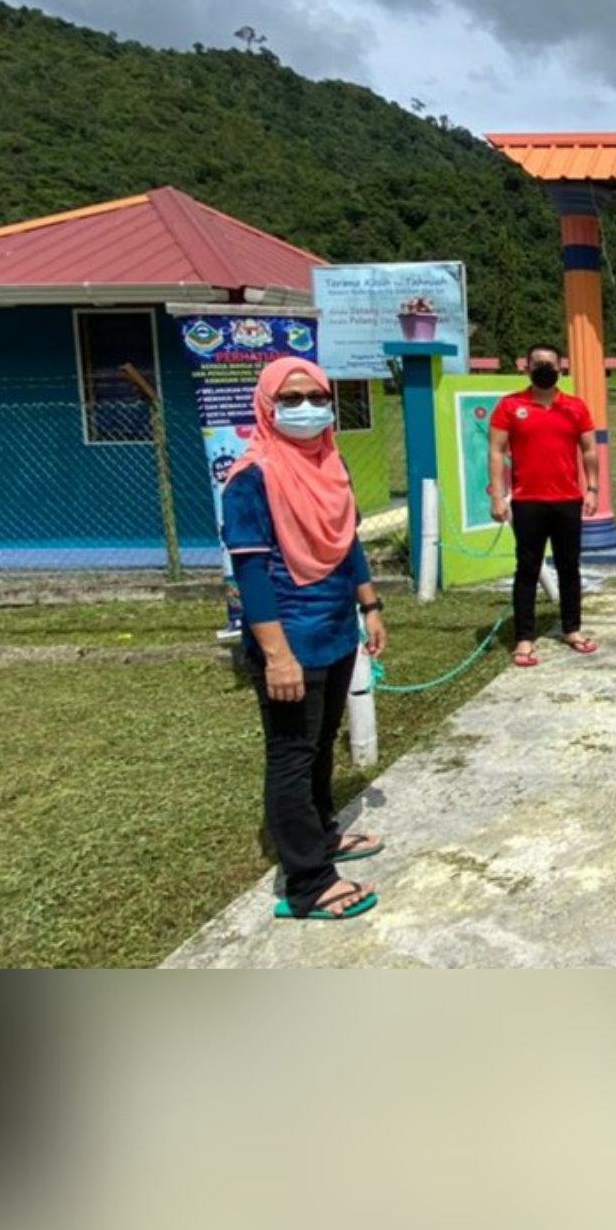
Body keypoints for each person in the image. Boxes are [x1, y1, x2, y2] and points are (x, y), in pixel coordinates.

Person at [222, 358, 387, 921]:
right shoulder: (252, 477)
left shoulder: (331, 463)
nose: (306, 408)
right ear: (268, 407)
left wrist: (370, 605)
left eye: (316, 396)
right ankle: (308, 882)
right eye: (290, 399)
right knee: (292, 755)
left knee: (321, 743)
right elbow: (250, 575)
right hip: (290, 638)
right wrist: (277, 656)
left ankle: (322, 835)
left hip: (337, 630)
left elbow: (348, 543)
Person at [489, 343, 600, 668]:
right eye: (538, 364)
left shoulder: (575, 407)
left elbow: (589, 450)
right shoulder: (510, 406)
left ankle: (572, 629)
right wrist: (498, 496)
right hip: (528, 503)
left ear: (560, 369)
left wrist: (592, 489)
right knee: (527, 570)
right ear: (527, 368)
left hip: (567, 501)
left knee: (569, 568)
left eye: (550, 364)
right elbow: (496, 451)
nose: (544, 369)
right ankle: (524, 638)